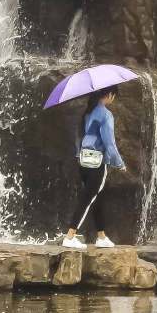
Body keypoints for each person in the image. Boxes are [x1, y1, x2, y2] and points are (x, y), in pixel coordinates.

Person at [63, 89, 125, 249]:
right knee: (87, 199)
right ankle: (70, 236)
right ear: (110, 95)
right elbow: (109, 143)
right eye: (114, 95)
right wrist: (119, 163)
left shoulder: (87, 112)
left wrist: (78, 154)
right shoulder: (105, 114)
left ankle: (101, 236)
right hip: (97, 162)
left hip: (83, 160)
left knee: (97, 198)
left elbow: (80, 137)